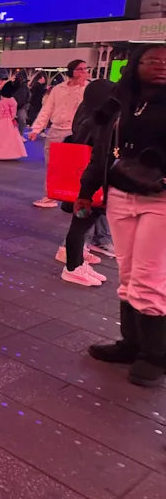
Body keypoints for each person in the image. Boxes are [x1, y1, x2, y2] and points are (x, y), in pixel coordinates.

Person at [80, 44, 166, 388]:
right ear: (136, 65)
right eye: (152, 60)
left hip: (160, 200)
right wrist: (86, 190)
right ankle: (131, 344)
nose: (161, 66)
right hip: (120, 194)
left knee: (149, 276)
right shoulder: (122, 101)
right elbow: (101, 147)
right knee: (127, 273)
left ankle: (155, 355)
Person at [56, 79, 116, 287]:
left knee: (81, 224)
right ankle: (72, 267)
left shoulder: (87, 116)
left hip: (90, 181)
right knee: (80, 224)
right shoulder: (96, 122)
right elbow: (93, 152)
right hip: (90, 183)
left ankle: (77, 263)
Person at [30, 60, 90, 208]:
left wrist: (82, 87)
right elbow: (47, 109)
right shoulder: (58, 89)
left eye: (85, 69)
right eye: (79, 69)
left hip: (75, 132)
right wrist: (37, 129)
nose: (83, 72)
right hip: (56, 130)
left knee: (75, 167)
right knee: (52, 165)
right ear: (72, 71)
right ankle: (50, 195)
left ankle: (76, 195)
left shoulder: (88, 89)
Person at [0, 81, 27, 161]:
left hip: (1, 122)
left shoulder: (2, 103)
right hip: (10, 122)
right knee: (10, 139)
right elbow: (13, 113)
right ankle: (11, 153)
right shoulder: (14, 102)